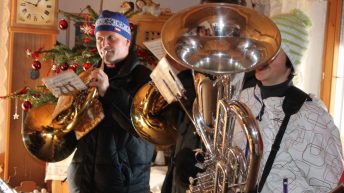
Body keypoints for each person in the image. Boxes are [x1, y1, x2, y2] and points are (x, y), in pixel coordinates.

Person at [235, 9, 344, 193]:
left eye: (274, 50)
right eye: (262, 46)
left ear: (291, 60)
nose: (263, 54)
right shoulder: (243, 99)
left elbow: (334, 186)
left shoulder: (311, 118)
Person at [67, 10, 155, 193]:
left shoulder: (144, 77)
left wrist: (108, 91)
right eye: (99, 38)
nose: (104, 44)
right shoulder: (89, 76)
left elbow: (142, 127)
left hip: (124, 184)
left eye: (111, 38)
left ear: (127, 41)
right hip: (85, 180)